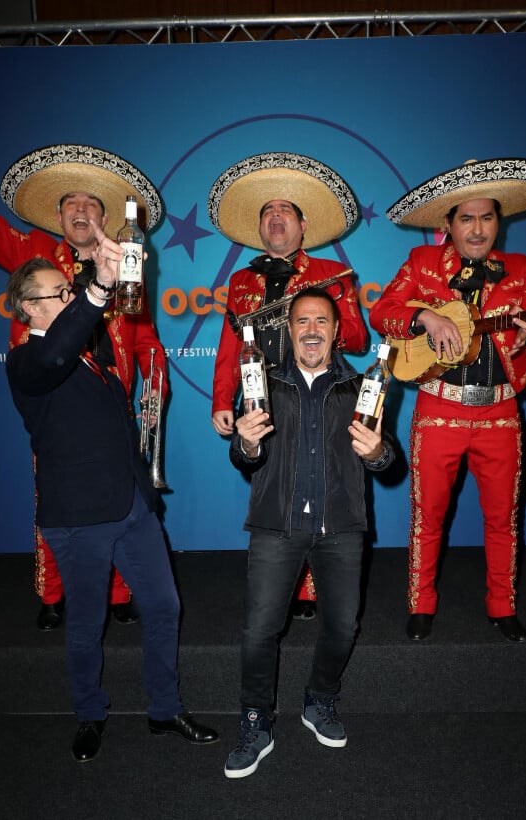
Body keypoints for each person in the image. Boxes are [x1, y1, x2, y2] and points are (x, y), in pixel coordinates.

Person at [6, 253, 218, 762]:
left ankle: (165, 710)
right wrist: (98, 289)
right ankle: (89, 715)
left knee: (165, 606)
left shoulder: (89, 356)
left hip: (131, 509)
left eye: (71, 289)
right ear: (29, 310)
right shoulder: (27, 359)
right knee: (85, 622)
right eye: (60, 293)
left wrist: (143, 492)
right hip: (78, 520)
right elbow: (54, 357)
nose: (71, 297)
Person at [369, 157, 526, 642]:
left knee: (503, 518)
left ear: (500, 221)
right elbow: (382, 311)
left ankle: (502, 605)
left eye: (488, 217)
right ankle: (420, 604)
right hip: (437, 409)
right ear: (448, 224)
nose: (478, 229)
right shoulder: (421, 265)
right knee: (427, 515)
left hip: (501, 413)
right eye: (467, 218)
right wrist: (424, 319)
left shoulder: (522, 270)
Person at [223, 287, 395, 779]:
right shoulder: (262, 383)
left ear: (337, 331)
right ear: (289, 329)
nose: (313, 330)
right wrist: (247, 444)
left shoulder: (361, 386)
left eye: (322, 321)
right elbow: (242, 457)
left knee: (343, 626)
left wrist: (377, 453)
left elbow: (386, 460)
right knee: (260, 632)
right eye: (302, 321)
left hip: (339, 525)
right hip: (277, 525)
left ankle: (319, 701)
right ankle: (255, 722)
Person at [0, 143, 165, 630]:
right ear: (56, 214)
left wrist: (155, 392)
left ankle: (117, 593)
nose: (81, 210)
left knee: (120, 500)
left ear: (105, 217)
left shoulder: (126, 266)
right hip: (55, 398)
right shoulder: (33, 252)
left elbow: (147, 339)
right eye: (71, 202)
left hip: (109, 403)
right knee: (55, 499)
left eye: (91, 204)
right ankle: (52, 593)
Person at [208, 152, 368, 619]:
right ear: (260, 228)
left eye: (285, 211)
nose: (276, 219)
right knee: (271, 487)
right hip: (261, 400)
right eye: (268, 212)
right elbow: (227, 347)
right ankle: (278, 577)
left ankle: (310, 589)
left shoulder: (330, 275)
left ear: (302, 224)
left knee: (318, 483)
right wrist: (223, 399)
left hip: (318, 396)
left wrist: (337, 304)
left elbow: (355, 340)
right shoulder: (239, 282)